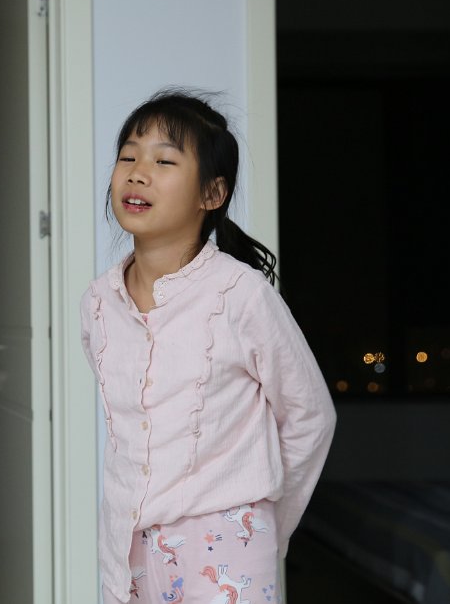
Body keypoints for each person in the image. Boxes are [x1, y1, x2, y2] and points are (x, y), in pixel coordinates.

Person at [80, 89, 336, 603]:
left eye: (164, 161)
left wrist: (269, 524)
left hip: (227, 544)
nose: (137, 173)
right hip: (127, 545)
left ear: (212, 194)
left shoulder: (241, 294)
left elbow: (310, 416)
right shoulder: (99, 302)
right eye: (128, 157)